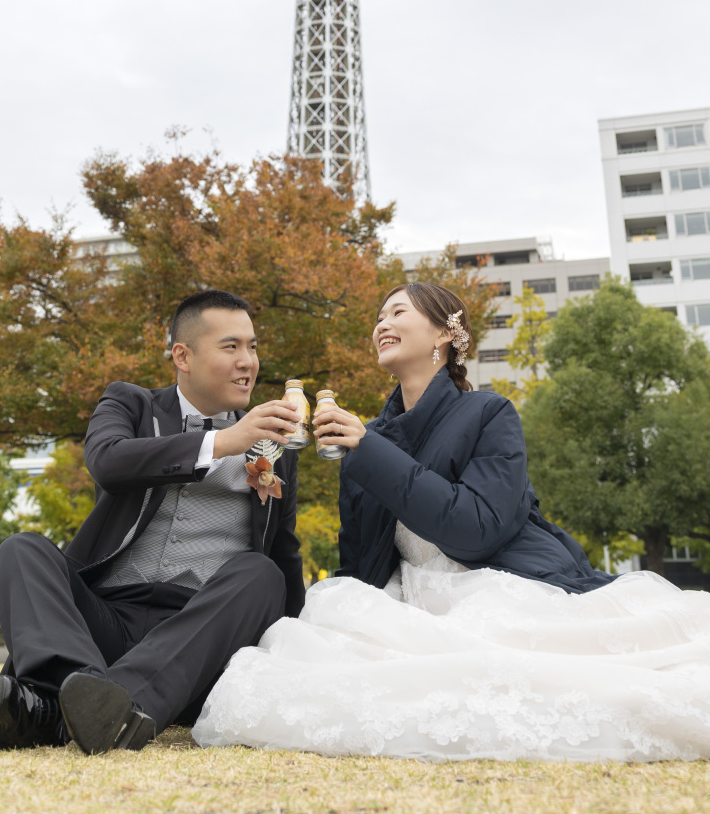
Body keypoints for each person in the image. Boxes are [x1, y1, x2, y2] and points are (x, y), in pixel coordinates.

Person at [194, 282, 710, 762]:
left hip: (498, 580)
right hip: (409, 596)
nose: (382, 323)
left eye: (398, 311)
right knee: (331, 610)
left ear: (444, 333)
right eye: (378, 317)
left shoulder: (489, 413)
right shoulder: (363, 436)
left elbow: (478, 527)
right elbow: (360, 562)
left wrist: (370, 450)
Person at [0, 289, 304, 754]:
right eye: (231, 346)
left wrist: (300, 644)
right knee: (20, 549)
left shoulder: (276, 447)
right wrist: (222, 442)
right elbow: (109, 463)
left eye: (253, 347)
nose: (248, 362)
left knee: (262, 573)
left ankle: (101, 707)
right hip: (105, 622)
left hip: (201, 639)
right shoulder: (130, 404)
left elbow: (285, 551)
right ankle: (76, 690)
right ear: (183, 356)